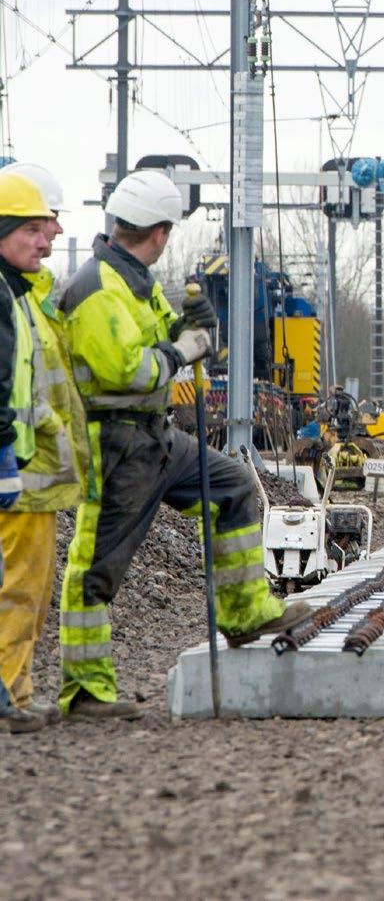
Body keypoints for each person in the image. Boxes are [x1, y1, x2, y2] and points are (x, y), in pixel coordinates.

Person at [57, 169, 309, 720]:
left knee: (235, 487)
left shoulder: (135, 281)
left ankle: (244, 613)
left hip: (157, 436)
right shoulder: (96, 288)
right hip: (116, 443)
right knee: (97, 567)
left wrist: (195, 328)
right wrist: (183, 350)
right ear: (160, 231)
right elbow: (130, 370)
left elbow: (171, 336)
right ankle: (84, 689)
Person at [0, 164, 89, 728]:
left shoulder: (21, 296)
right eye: (34, 230)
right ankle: (9, 695)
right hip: (19, 472)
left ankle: (19, 692)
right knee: (17, 591)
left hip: (30, 468)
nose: (45, 241)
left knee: (28, 592)